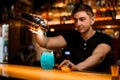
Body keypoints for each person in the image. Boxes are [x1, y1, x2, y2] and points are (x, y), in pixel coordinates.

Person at [29, 4, 113, 72]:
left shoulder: (105, 38)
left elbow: (98, 56)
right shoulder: (71, 36)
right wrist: (38, 28)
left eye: (82, 19)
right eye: (75, 20)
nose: (78, 23)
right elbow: (45, 43)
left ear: (92, 20)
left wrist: (77, 67)